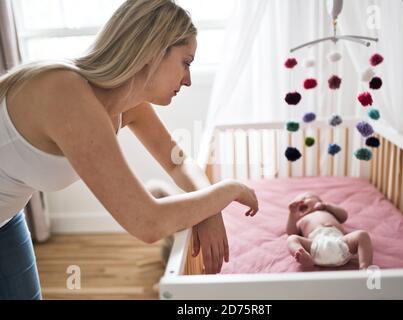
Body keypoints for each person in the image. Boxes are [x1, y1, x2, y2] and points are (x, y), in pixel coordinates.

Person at [0, 0, 258, 300]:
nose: (188, 80)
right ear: (153, 51)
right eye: (186, 62)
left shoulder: (127, 104)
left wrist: (210, 210)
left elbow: (178, 162)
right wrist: (229, 190)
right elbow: (147, 222)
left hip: (7, 216)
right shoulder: (64, 92)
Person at [286, 192, 372, 270]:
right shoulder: (301, 220)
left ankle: (365, 267)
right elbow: (291, 232)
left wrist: (327, 206)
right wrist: (292, 214)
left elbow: (344, 216)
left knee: (362, 235)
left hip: (341, 243)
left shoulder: (326, 211)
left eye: (305, 198)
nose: (301, 201)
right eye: (297, 201)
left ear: (318, 201)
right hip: (315, 246)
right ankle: (304, 256)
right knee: (292, 239)